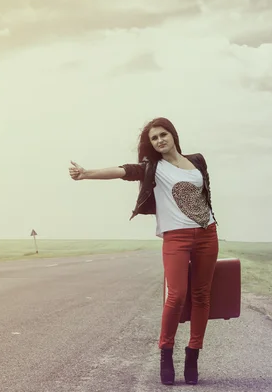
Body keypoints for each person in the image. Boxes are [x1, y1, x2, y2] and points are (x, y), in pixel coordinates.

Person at [68, 117, 219, 385]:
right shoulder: (153, 168)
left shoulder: (197, 161)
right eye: (154, 138)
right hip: (176, 237)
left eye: (164, 134)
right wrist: (86, 173)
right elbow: (121, 171)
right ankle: (166, 353)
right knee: (177, 296)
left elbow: (203, 194)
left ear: (173, 135)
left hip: (208, 234)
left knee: (201, 296)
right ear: (150, 144)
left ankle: (193, 354)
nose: (160, 140)